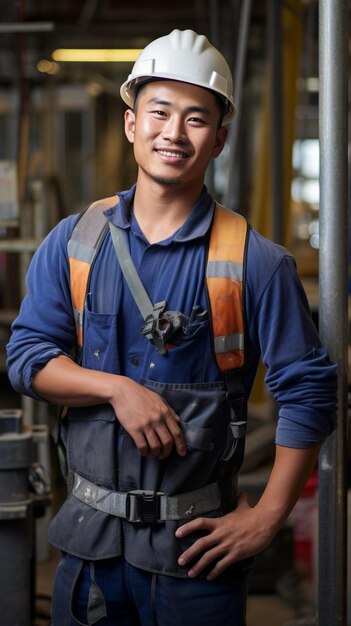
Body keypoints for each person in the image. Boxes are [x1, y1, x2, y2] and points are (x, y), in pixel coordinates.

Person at [7, 29, 337, 626]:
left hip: (195, 556)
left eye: (196, 119)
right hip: (89, 549)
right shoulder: (77, 242)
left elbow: (310, 392)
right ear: (132, 123)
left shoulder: (255, 262)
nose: (174, 133)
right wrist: (115, 389)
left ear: (220, 139)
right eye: (159, 112)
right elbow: (27, 355)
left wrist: (267, 515)